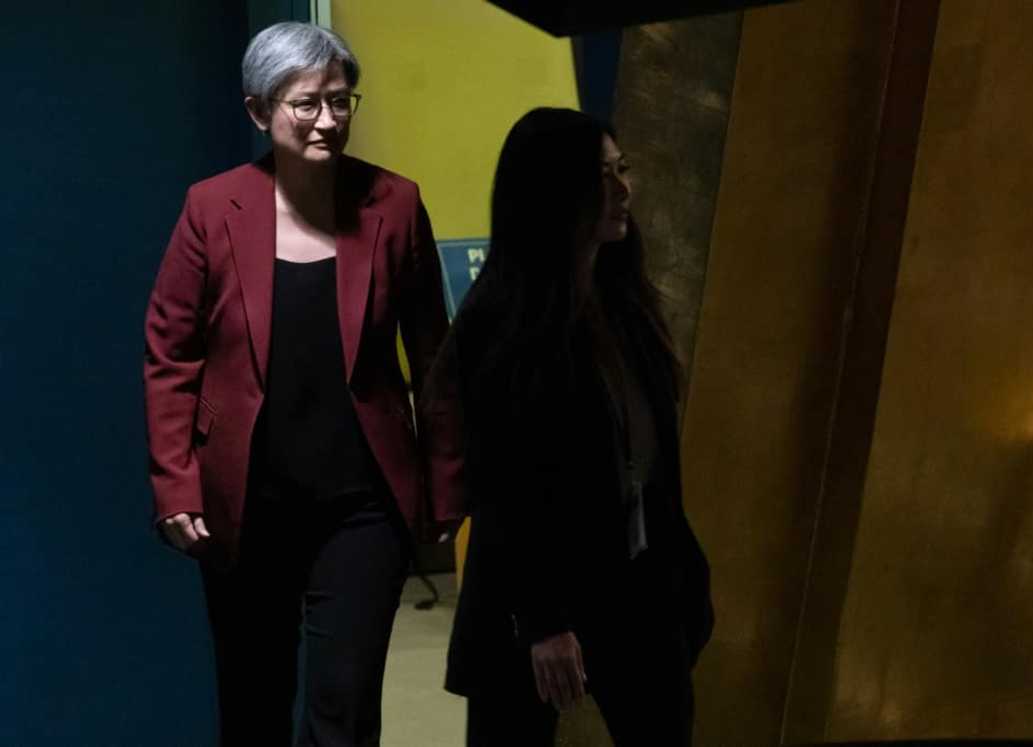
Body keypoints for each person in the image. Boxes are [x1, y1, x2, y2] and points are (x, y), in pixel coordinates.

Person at [143, 22, 463, 745]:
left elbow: (433, 355)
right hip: (244, 502)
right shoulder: (210, 207)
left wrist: (445, 478)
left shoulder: (396, 203)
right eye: (307, 103)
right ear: (260, 111)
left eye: (341, 101)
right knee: (254, 704)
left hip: (363, 507)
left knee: (344, 711)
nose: (329, 120)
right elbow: (170, 350)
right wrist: (175, 481)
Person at [431, 107, 714, 746]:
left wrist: (685, 577)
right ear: (555, 194)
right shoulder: (503, 319)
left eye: (623, 170)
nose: (623, 190)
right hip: (533, 601)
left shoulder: (625, 301)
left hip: (639, 588)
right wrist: (543, 621)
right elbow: (504, 485)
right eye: (601, 177)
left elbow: (650, 463)